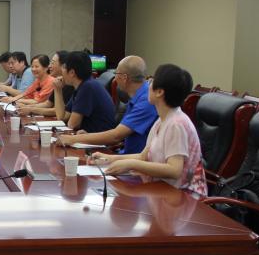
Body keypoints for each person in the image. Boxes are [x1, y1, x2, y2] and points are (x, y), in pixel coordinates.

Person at [91, 63, 207, 197]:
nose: (148, 85)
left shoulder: (177, 124)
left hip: (183, 198)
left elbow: (174, 170)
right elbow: (143, 156)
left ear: (160, 92)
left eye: (151, 81)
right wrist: (108, 159)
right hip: (161, 190)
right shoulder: (162, 120)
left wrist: (131, 164)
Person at [57, 55, 157, 153]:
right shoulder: (138, 97)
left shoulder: (146, 101)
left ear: (124, 77)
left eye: (116, 73)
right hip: (123, 153)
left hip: (132, 160)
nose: (115, 79)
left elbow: (116, 136)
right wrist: (87, 136)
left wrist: (73, 139)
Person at [54, 51, 116, 132]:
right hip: (87, 135)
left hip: (99, 138)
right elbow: (62, 117)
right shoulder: (81, 85)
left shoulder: (87, 87)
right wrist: (58, 90)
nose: (61, 71)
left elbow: (73, 124)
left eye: (64, 67)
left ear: (72, 72)